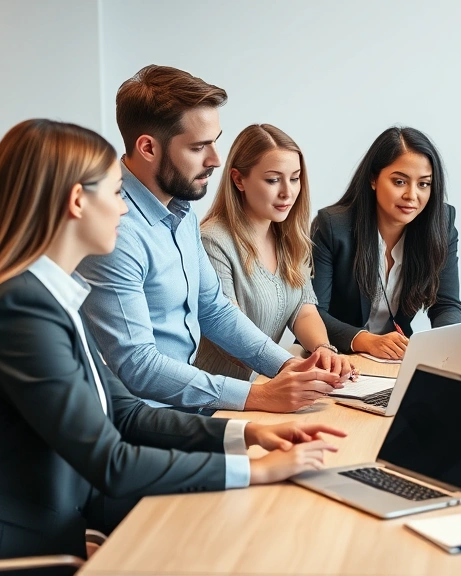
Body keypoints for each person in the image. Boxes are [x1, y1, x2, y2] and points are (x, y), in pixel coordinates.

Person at [0, 119, 344, 563]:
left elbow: (126, 413)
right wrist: (253, 469)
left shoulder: (50, 295)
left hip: (54, 526)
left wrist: (249, 434)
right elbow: (110, 461)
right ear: (78, 202)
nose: (124, 209)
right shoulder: (20, 311)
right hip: (8, 551)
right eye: (117, 193)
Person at [77, 65, 346, 414]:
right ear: (147, 147)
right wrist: (258, 397)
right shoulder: (117, 230)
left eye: (215, 143)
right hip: (141, 422)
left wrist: (286, 366)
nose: (215, 160)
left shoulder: (181, 209)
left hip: (189, 411)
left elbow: (213, 309)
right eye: (199, 147)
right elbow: (137, 365)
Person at [194, 124, 352, 380]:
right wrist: (291, 366)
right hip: (214, 398)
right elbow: (228, 329)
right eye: (273, 180)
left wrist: (324, 350)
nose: (287, 192)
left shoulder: (291, 238)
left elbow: (304, 309)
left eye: (294, 178)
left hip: (261, 387)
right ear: (238, 179)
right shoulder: (212, 241)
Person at [311, 126, 461, 360]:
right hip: (334, 355)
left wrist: (445, 348)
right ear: (373, 178)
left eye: (424, 184)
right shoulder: (333, 227)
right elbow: (311, 312)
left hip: (395, 360)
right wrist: (366, 340)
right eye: (400, 182)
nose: (412, 195)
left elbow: (446, 305)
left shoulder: (441, 225)